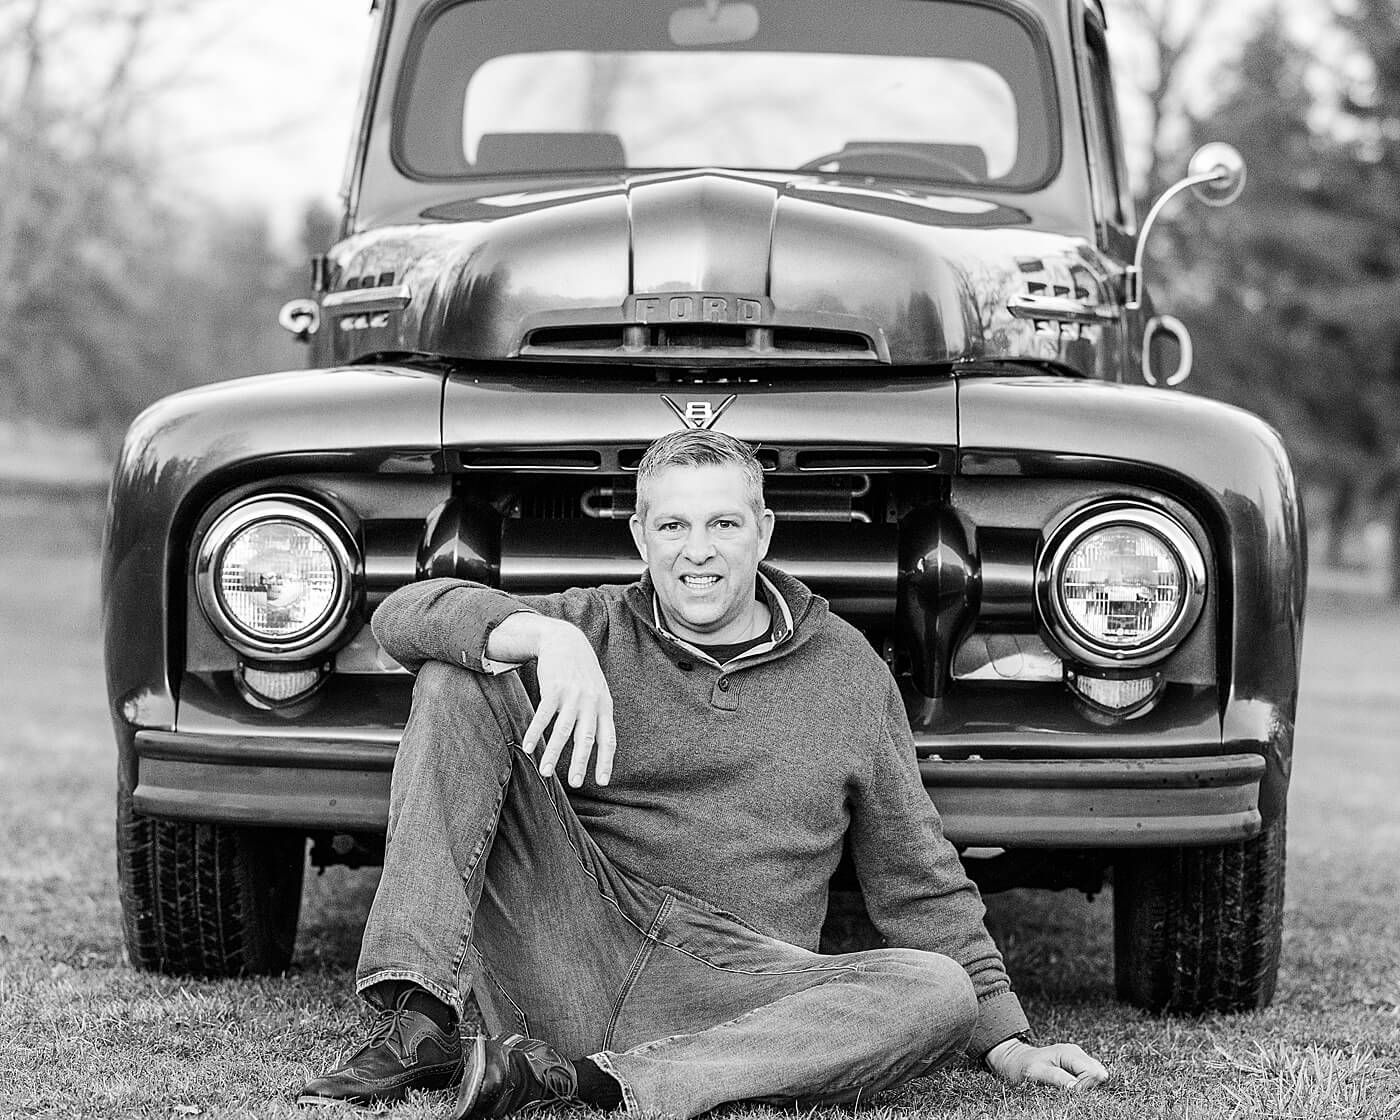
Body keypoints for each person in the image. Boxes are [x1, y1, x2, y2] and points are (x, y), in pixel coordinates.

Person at [298, 428, 1109, 1117]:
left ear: (764, 530)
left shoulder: (848, 672)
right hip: (571, 935)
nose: (699, 552)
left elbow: (917, 877)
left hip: (735, 981)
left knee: (934, 990)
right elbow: (402, 616)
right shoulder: (592, 624)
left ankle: (583, 1082)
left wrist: (1008, 1042)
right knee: (458, 675)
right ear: (640, 539)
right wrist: (543, 638)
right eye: (674, 527)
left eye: (724, 524)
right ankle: (420, 1018)